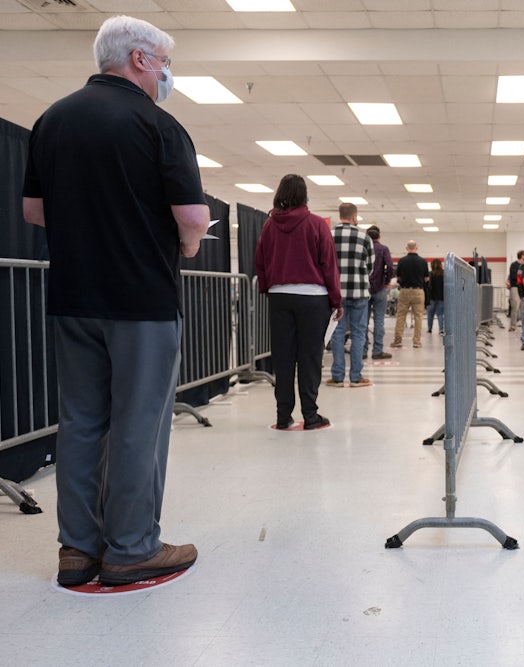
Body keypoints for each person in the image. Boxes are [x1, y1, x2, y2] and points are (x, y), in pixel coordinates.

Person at [21, 15, 210, 587]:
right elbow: (193, 217)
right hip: (140, 301)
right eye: (163, 61)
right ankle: (131, 548)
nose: (166, 72)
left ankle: (76, 552)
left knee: (80, 421)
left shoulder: (52, 120)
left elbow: (33, 211)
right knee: (138, 423)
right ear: (139, 60)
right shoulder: (158, 124)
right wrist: (188, 241)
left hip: (73, 296)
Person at [255, 175, 342, 429]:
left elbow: (260, 260)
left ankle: (283, 416)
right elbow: (328, 263)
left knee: (283, 358)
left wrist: (268, 288)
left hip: (280, 296)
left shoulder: (269, 226)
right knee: (309, 357)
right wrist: (336, 300)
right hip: (313, 298)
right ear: (305, 196)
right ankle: (310, 415)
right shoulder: (316, 224)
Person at [327, 202, 374, 388]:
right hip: (359, 292)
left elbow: (323, 263)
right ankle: (356, 377)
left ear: (340, 215)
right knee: (358, 333)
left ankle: (337, 377)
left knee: (337, 334)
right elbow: (370, 266)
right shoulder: (364, 237)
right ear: (355, 216)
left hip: (336, 293)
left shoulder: (329, 235)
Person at [391, 240, 429, 348]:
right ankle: (416, 342)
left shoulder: (402, 261)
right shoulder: (423, 261)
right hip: (418, 291)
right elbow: (426, 278)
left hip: (405, 291)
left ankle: (398, 340)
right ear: (417, 248)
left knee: (401, 316)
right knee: (418, 317)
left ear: (406, 248)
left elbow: (398, 277)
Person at [364, 225, 394, 360]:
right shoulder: (383, 249)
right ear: (379, 236)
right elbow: (390, 266)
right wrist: (387, 280)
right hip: (380, 288)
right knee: (379, 321)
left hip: (364, 289)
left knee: (362, 322)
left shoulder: (363, 248)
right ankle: (377, 350)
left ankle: (362, 351)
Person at [506, 250, 524, 331]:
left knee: (523, 308)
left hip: (523, 288)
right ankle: (513, 325)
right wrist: (522, 277)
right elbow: (514, 276)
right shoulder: (514, 265)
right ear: (522, 256)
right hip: (515, 287)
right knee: (515, 307)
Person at [426, 257, 445, 334]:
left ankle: (429, 329)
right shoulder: (444, 274)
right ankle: (441, 329)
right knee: (440, 314)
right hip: (441, 297)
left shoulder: (430, 274)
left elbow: (428, 286)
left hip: (431, 298)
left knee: (430, 315)